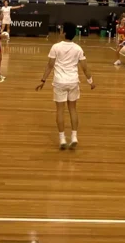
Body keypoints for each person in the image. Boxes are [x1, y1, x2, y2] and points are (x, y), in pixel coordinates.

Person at [36, 22, 95, 150]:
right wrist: (90, 81)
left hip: (59, 82)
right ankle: (74, 136)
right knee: (73, 109)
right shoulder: (78, 49)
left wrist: (43, 80)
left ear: (64, 33)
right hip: (73, 81)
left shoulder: (56, 47)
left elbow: (50, 65)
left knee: (60, 110)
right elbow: (84, 67)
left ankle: (62, 139)